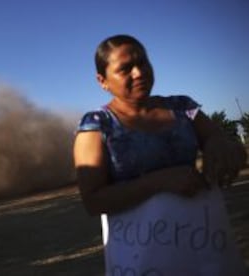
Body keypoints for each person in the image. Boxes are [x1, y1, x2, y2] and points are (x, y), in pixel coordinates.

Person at [73, 34, 247, 275]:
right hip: (141, 258)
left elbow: (214, 137)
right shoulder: (96, 125)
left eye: (143, 62)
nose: (138, 72)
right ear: (102, 81)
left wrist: (220, 146)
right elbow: (93, 201)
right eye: (125, 69)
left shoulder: (183, 107)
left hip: (203, 250)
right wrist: (160, 182)